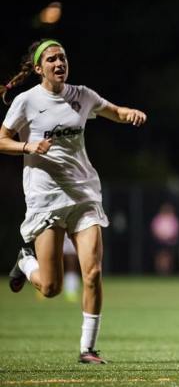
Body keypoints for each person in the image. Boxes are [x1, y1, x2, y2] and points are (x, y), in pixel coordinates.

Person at [0, 39, 147, 364]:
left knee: (92, 272)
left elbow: (114, 112)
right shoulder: (27, 101)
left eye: (63, 57)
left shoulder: (81, 95)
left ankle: (88, 349)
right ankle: (26, 261)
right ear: (39, 68)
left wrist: (130, 114)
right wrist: (28, 148)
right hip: (45, 200)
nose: (59, 63)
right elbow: (2, 140)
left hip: (84, 196)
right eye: (52, 59)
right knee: (51, 288)